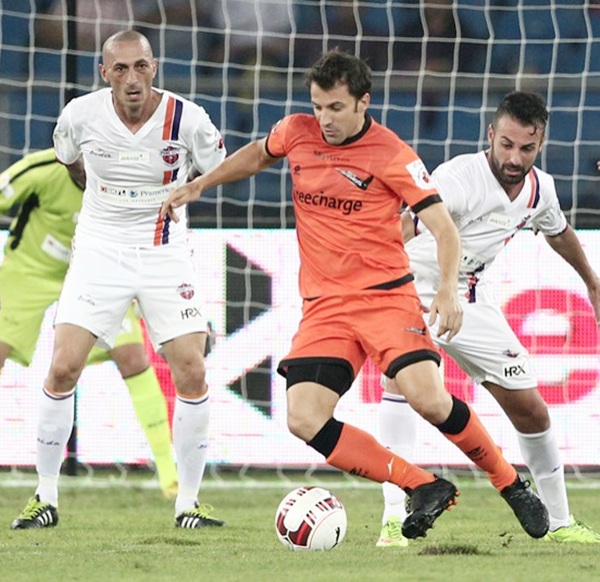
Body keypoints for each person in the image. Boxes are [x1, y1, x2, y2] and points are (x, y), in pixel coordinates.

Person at [160, 50, 549, 540]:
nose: (325, 119)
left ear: (363, 102)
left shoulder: (392, 154)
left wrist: (448, 290)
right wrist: (202, 183)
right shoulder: (296, 131)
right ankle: (423, 486)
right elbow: (260, 153)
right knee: (303, 418)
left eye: (336, 108)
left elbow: (444, 230)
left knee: (429, 401)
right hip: (325, 307)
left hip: (386, 299)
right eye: (318, 106)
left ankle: (510, 483)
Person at [10, 30, 226, 530]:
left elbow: (220, 165)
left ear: (155, 68)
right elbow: (67, 158)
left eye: (141, 67)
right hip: (100, 251)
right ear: (104, 73)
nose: (133, 79)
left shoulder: (186, 118)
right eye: (121, 69)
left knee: (191, 369)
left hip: (164, 251)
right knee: (63, 368)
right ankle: (44, 497)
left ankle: (188, 503)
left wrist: (194, 186)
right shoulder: (80, 115)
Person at [376, 91, 600, 547]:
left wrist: (593, 284)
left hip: (467, 299)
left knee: (531, 409)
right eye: (507, 145)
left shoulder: (540, 189)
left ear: (540, 145)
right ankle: (390, 520)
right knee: (401, 386)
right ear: (491, 135)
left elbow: (559, 232)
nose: (515, 158)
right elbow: (407, 226)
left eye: (527, 149)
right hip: (408, 290)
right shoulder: (458, 178)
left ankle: (559, 522)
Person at [0, 148, 179, 499]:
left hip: (96, 277)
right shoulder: (39, 171)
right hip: (30, 271)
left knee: (132, 358)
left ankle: (171, 476)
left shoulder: (125, 181)